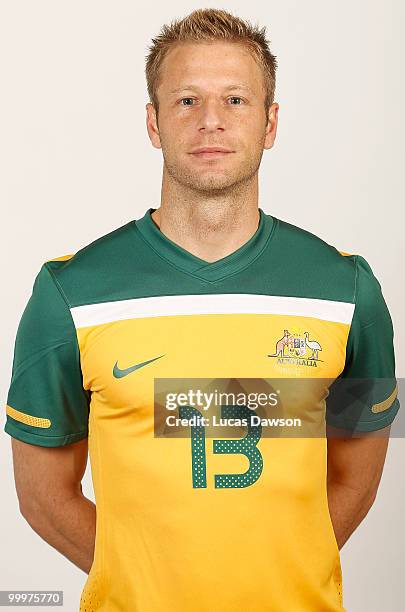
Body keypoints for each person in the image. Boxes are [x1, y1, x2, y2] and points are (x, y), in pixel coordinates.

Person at [4, 8, 400, 612]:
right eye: (186, 100)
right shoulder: (69, 292)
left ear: (270, 123)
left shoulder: (347, 289)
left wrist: (274, 573)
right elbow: (41, 497)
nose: (211, 121)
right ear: (153, 122)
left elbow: (356, 476)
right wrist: (151, 584)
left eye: (236, 99)